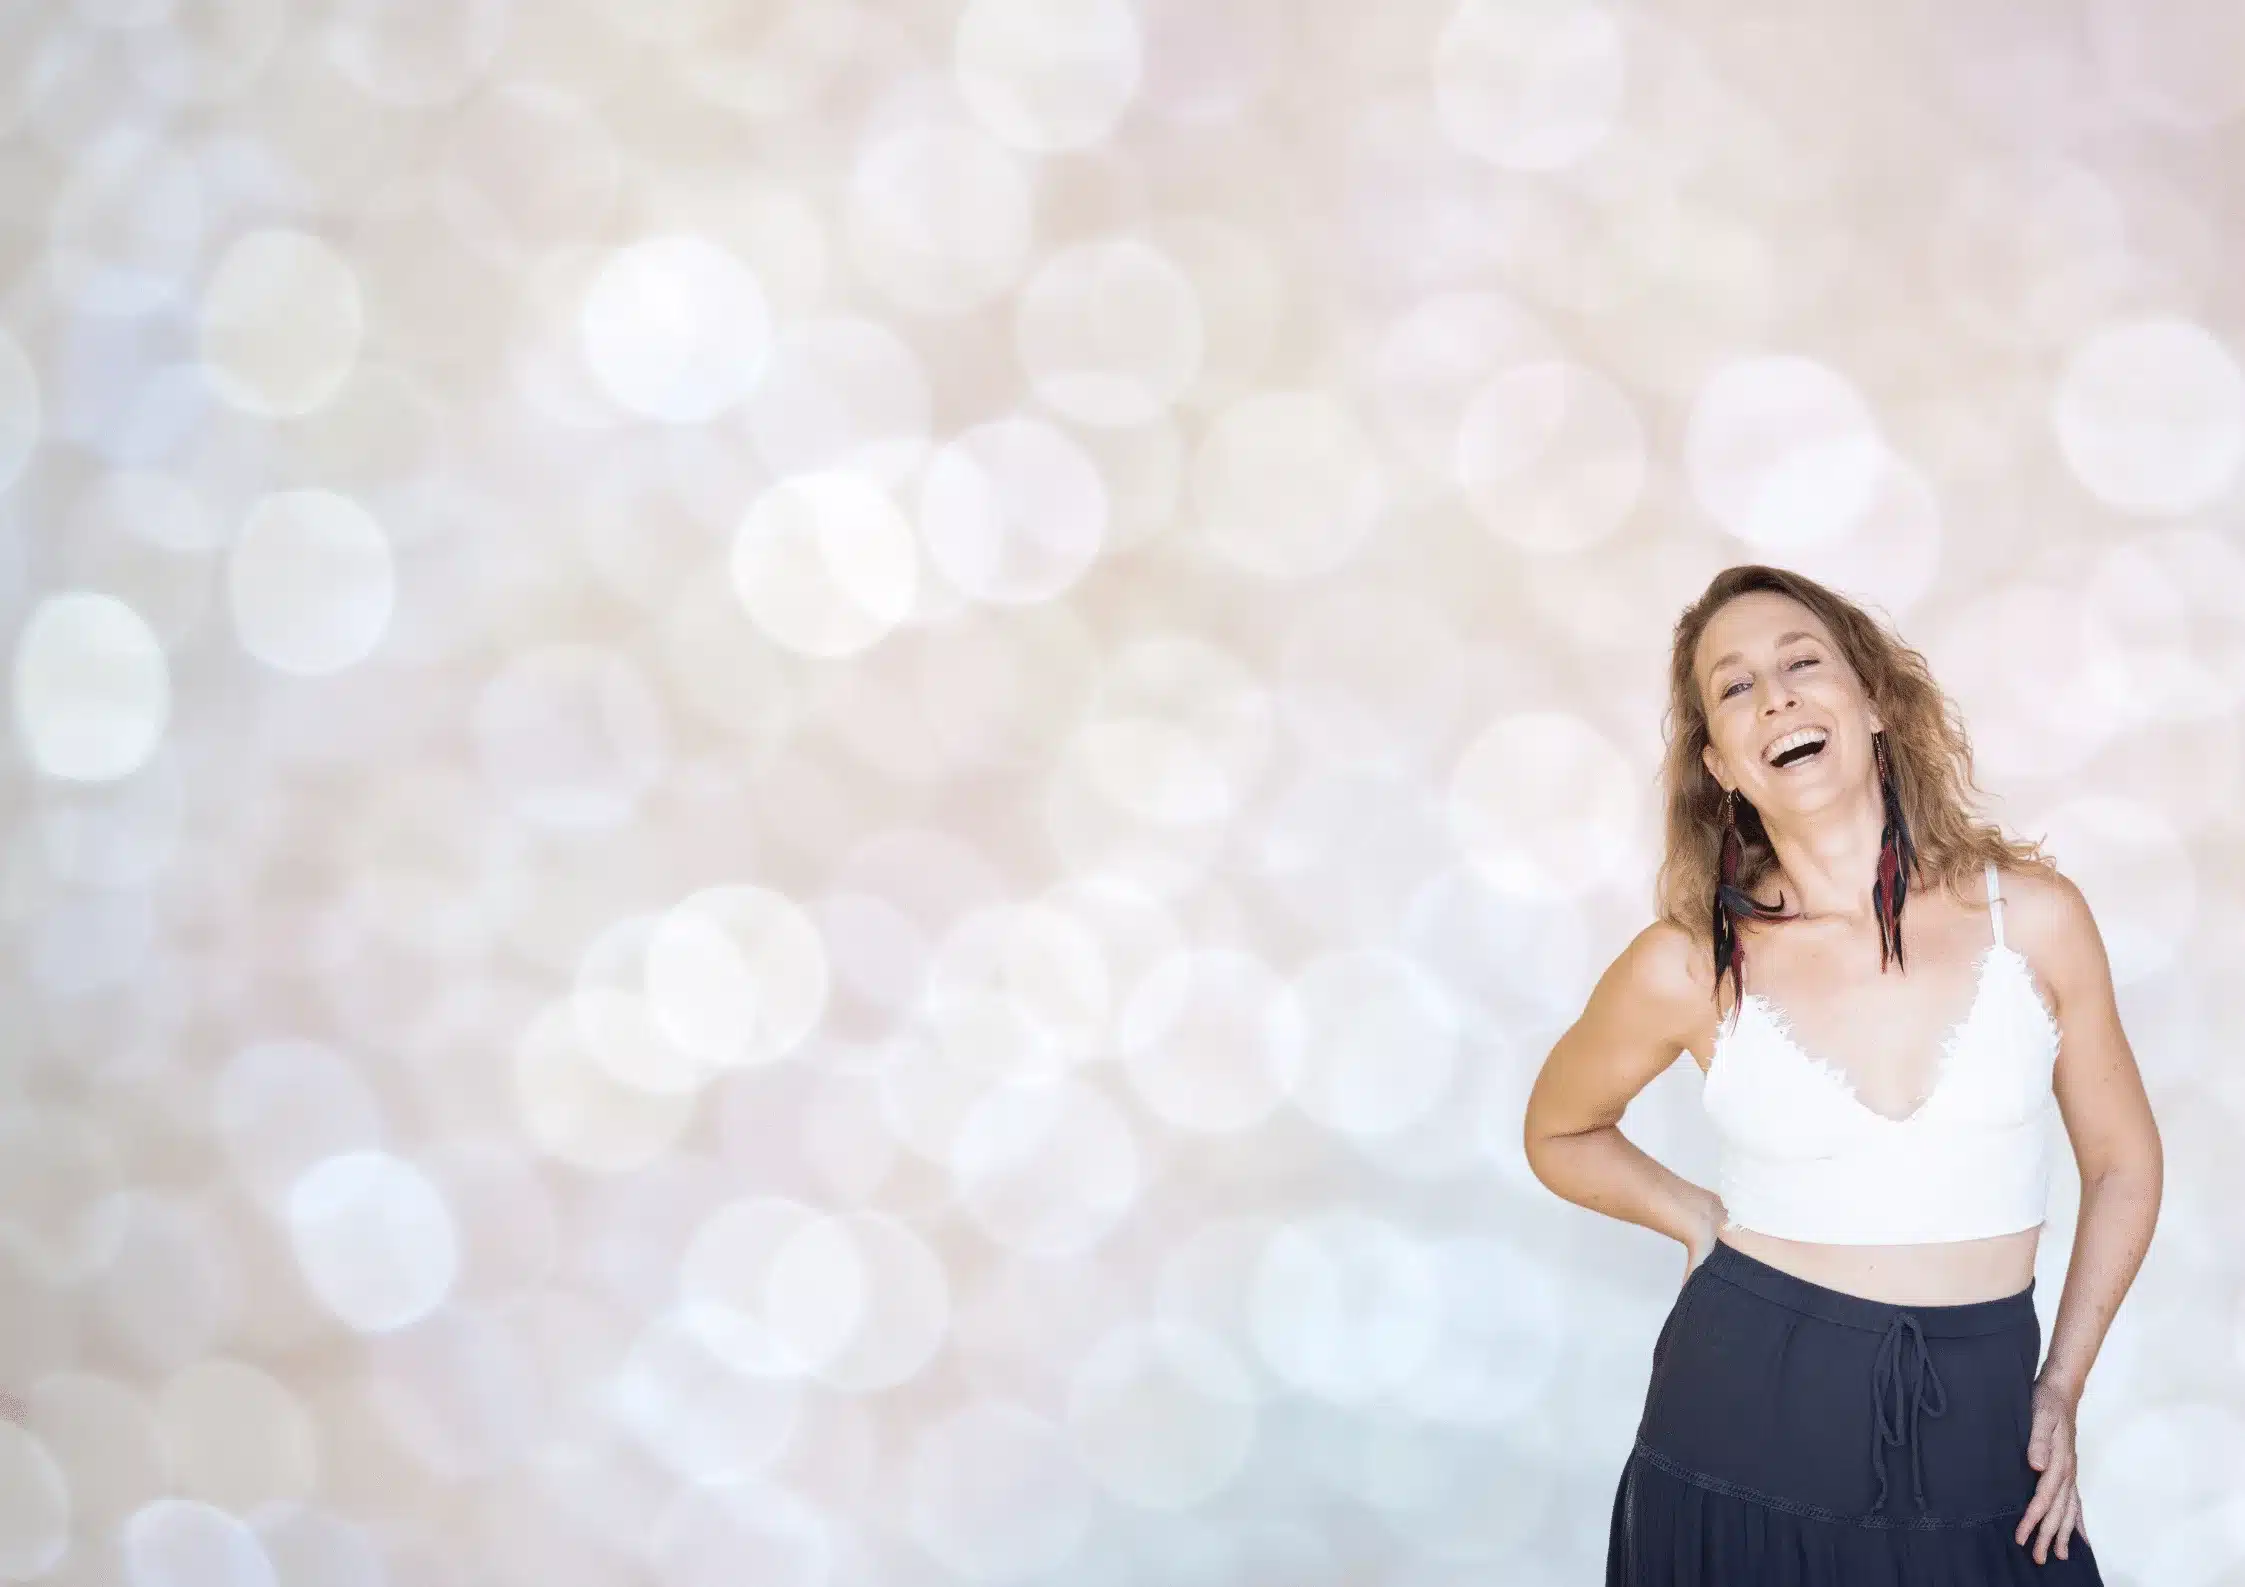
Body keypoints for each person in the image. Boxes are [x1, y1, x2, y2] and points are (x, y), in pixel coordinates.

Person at [1523, 564, 2162, 1583]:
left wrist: (2062, 1386)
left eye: (1801, 662)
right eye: (1734, 687)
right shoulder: (1688, 964)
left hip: (1984, 1430)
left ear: (1873, 702)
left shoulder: (2033, 919)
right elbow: (1558, 1130)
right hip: (1738, 1434)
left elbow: (2122, 1163)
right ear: (1720, 765)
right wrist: (1694, 1216)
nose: (1774, 697)